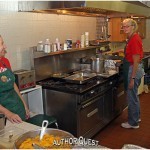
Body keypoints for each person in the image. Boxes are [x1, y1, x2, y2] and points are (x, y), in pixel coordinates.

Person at [0, 35, 30, 123]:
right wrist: (8, 113)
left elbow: (13, 84)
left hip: (17, 107)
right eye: (1, 44)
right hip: (3, 116)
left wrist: (24, 104)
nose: (5, 46)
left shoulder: (5, 61)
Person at [121, 18, 145, 129]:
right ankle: (137, 117)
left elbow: (135, 60)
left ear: (133, 26)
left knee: (131, 97)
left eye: (127, 26)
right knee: (134, 96)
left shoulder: (134, 39)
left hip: (133, 69)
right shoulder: (131, 38)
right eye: (123, 26)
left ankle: (133, 123)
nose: (124, 28)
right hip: (134, 68)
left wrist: (133, 78)